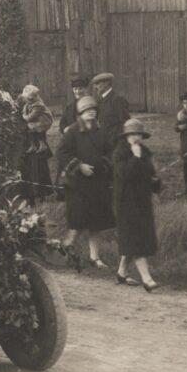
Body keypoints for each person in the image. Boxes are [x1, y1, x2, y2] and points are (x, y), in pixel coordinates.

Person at [56, 95, 115, 270]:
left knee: (96, 224)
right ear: (80, 113)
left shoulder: (102, 131)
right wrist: (79, 166)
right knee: (77, 222)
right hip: (77, 186)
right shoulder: (72, 132)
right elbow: (61, 153)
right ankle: (62, 252)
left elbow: (110, 153)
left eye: (93, 110)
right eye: (86, 110)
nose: (90, 113)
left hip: (97, 185)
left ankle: (94, 258)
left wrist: (102, 166)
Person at [113, 119, 162, 292]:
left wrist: (155, 182)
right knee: (135, 240)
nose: (135, 138)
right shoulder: (120, 152)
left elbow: (152, 174)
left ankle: (121, 272)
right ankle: (147, 279)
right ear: (126, 136)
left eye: (138, 134)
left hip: (142, 202)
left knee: (133, 239)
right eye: (132, 134)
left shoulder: (146, 152)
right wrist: (135, 156)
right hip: (126, 203)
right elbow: (124, 174)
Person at [19, 85, 54, 205]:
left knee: (38, 166)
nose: (28, 100)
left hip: (38, 131)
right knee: (29, 167)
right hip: (28, 139)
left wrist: (25, 119)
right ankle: (31, 195)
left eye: (31, 98)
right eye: (27, 99)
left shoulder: (38, 106)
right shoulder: (25, 105)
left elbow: (31, 118)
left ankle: (42, 193)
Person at [90, 72, 130, 142]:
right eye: (95, 84)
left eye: (98, 84)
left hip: (115, 140)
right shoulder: (100, 100)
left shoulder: (117, 99)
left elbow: (125, 122)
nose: (95, 87)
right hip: (103, 139)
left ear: (106, 83)